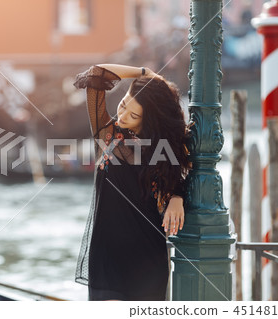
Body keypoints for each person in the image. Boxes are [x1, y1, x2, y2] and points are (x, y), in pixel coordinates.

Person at [73, 64, 190, 301]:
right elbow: (97, 75)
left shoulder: (164, 149)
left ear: (149, 118)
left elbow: (184, 177)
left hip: (147, 260)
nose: (123, 116)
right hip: (106, 256)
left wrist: (178, 197)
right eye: (124, 104)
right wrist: (144, 73)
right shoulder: (107, 134)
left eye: (133, 115)